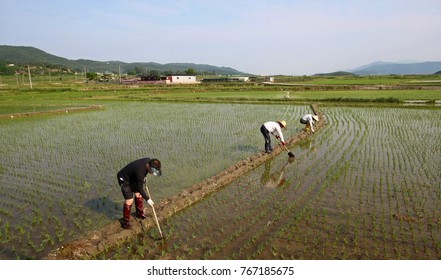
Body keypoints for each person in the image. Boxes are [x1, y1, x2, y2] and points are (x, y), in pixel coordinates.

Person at [117, 157, 162, 229]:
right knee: (129, 200)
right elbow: (139, 188)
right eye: (151, 171)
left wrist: (144, 177)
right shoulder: (140, 172)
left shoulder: (149, 161)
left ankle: (139, 214)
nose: (151, 173)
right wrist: (148, 199)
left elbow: (140, 181)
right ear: (148, 166)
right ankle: (125, 223)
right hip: (123, 178)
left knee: (139, 195)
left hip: (133, 178)